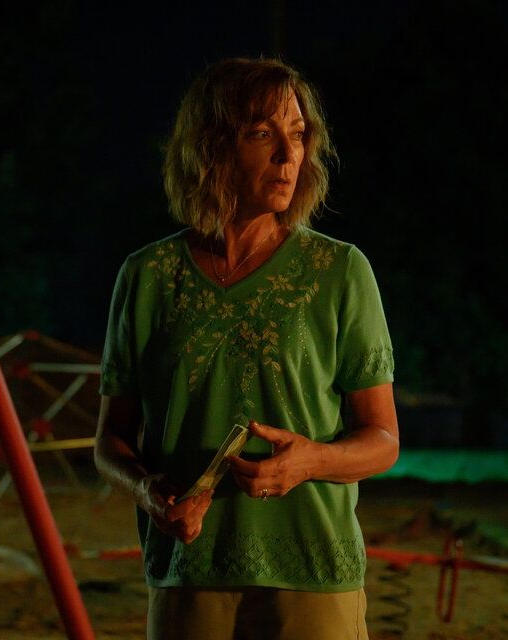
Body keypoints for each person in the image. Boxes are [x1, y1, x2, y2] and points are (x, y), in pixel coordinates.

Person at [94, 57, 399, 640]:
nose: (289, 156)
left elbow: (383, 440)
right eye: (262, 133)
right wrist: (148, 493)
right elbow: (110, 441)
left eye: (299, 134)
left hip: (312, 575)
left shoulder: (339, 270)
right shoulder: (148, 276)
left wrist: (309, 461)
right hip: (188, 575)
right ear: (210, 147)